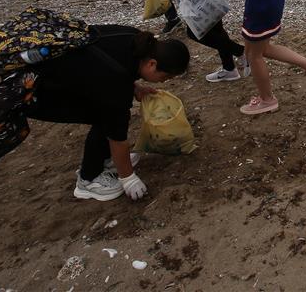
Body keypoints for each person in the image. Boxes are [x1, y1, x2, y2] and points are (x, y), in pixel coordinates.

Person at [25, 26, 190, 201]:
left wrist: (136, 88)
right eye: (166, 77)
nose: (165, 81)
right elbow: (117, 136)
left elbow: (108, 63)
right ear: (152, 64)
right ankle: (88, 179)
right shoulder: (116, 88)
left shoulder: (136, 38)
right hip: (35, 91)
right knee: (105, 117)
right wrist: (128, 178)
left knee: (108, 111)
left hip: (59, 70)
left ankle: (104, 159)